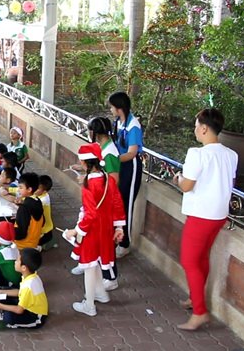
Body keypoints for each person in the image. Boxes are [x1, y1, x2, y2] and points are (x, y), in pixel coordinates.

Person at [172, 108, 237, 331]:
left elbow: (187, 186)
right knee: (201, 259)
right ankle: (195, 298)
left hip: (201, 215)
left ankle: (200, 312)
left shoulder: (197, 154)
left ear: (204, 128)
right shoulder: (231, 155)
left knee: (190, 261)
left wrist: (178, 178)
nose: (195, 129)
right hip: (219, 215)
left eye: (196, 125)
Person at [64, 143, 126, 317]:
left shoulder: (89, 184)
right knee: (97, 261)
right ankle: (100, 293)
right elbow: (117, 203)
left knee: (89, 265)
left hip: (92, 230)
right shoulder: (107, 179)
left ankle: (89, 305)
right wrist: (119, 226)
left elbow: (90, 214)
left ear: (84, 163)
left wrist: (75, 231)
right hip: (106, 228)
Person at [74, 117, 122, 289]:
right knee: (98, 243)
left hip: (103, 210)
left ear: (94, 132)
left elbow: (112, 181)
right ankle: (88, 263)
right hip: (100, 207)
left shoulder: (109, 152)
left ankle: (110, 277)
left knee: (105, 243)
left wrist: (89, 181)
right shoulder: (103, 148)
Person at [109, 91, 143, 259]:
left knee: (126, 206)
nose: (110, 110)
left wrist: (111, 160)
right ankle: (118, 238)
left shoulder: (133, 125)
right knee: (118, 204)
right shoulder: (118, 122)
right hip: (121, 165)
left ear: (119, 108)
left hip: (131, 166)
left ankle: (125, 244)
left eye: (112, 107)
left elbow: (131, 153)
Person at [0, 248, 48, 330]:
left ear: (23, 268)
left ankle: (8, 323)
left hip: (35, 317)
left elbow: (19, 310)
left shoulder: (29, 286)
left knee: (8, 317)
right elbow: (19, 292)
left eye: (17, 260)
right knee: (3, 294)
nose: (15, 262)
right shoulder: (31, 276)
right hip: (27, 305)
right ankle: (6, 313)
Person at [12, 173, 44, 250]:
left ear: (29, 189)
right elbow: (42, 222)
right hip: (33, 242)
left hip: (22, 245)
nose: (18, 190)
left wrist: (9, 233)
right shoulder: (38, 201)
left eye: (21, 188)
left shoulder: (24, 208)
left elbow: (21, 233)